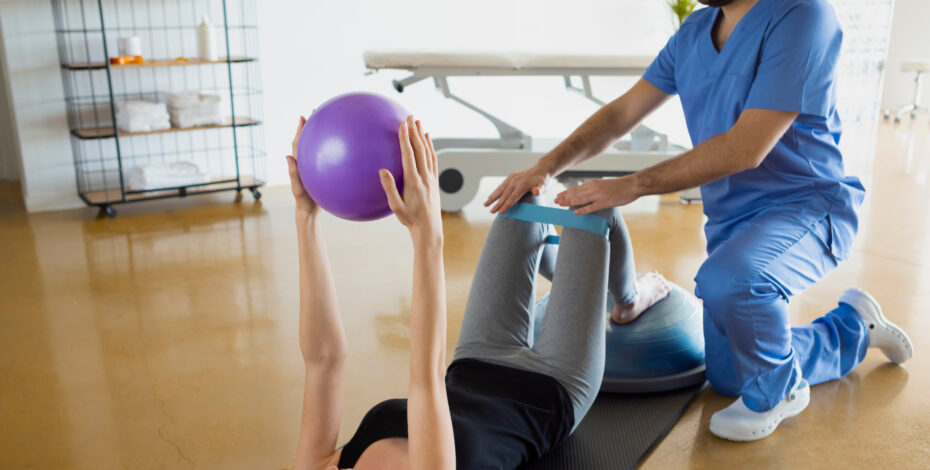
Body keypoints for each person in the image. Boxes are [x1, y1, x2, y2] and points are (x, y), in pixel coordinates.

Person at [485, 0, 914, 442]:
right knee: (729, 376)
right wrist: (547, 165)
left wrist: (630, 185)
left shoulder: (803, 15)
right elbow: (621, 114)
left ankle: (780, 392)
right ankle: (852, 328)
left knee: (733, 280)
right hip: (733, 222)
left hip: (807, 206)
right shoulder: (695, 32)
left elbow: (747, 147)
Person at [288, 114, 668, 469]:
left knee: (520, 200)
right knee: (596, 207)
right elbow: (425, 377)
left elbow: (323, 359)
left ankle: (564, 264)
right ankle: (630, 301)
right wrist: (426, 233)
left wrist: (305, 216)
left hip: (478, 359)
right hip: (553, 390)